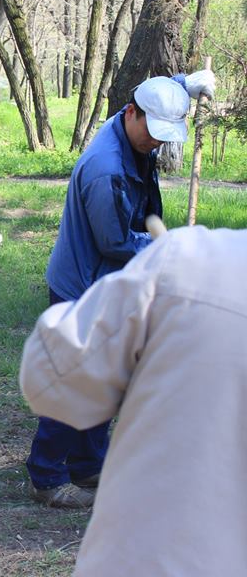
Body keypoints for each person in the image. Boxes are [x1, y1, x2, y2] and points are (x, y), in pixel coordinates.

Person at [25, 70, 216, 508]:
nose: (156, 144)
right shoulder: (106, 170)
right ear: (131, 114)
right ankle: (46, 476)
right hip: (84, 286)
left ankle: (88, 465)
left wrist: (186, 83)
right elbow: (115, 242)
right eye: (153, 134)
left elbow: (160, 88)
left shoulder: (133, 123)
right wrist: (166, 247)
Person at [19, 225, 247, 575]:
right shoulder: (183, 260)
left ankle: (83, 464)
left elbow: (53, 379)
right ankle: (58, 470)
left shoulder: (189, 262)